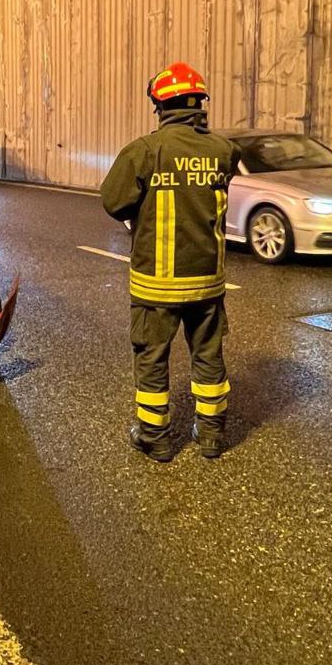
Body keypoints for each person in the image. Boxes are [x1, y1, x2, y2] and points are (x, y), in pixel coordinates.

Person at [100, 62, 241, 462]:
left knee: (152, 357)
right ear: (199, 103)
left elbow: (113, 201)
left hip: (156, 284)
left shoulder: (145, 151)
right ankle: (211, 435)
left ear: (160, 105)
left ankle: (155, 437)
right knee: (209, 355)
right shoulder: (221, 150)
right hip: (207, 282)